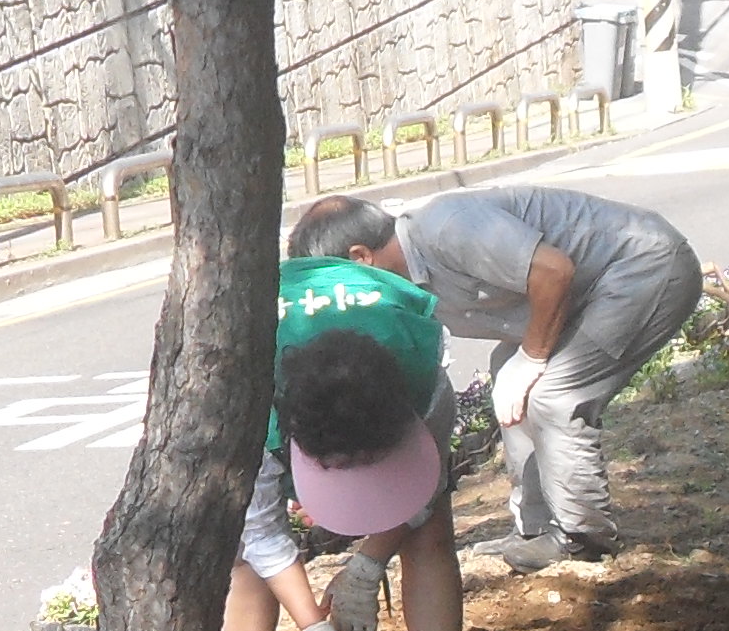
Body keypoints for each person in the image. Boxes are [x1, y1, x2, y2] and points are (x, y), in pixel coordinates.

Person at [290, 187, 706, 570]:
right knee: (508, 376)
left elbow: (553, 272)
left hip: (641, 270)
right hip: (583, 293)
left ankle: (584, 538)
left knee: (553, 396)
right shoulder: (403, 289)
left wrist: (533, 357)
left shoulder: (446, 228)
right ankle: (535, 528)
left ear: (361, 257)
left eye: (338, 278)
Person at [221, 252, 469, 631]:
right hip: (259, 370)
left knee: (431, 531)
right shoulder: (241, 404)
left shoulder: (422, 377)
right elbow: (261, 532)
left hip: (377, 332)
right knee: (238, 551)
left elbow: (427, 484)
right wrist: (316, 630)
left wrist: (366, 566)